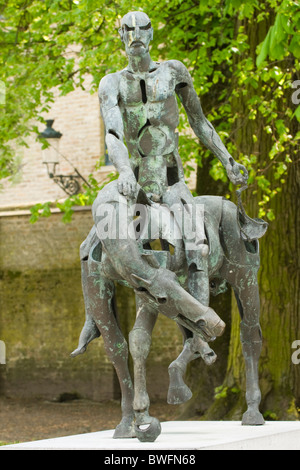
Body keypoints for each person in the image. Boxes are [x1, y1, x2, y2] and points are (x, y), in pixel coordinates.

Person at [71, 11, 247, 361]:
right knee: (91, 248)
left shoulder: (174, 72)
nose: (135, 34)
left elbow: (199, 121)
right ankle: (93, 319)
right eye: (128, 29)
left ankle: (197, 337)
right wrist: (122, 172)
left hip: (170, 182)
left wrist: (227, 160)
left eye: (142, 28)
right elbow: (113, 133)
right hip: (134, 189)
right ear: (120, 36)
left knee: (196, 243)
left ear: (151, 34)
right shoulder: (111, 83)